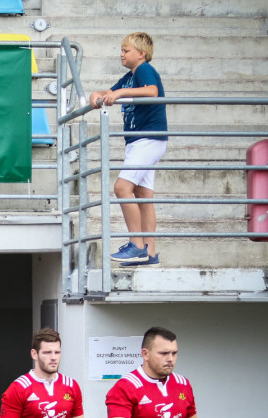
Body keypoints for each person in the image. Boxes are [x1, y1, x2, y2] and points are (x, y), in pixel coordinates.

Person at [89, 32, 167, 266]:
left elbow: (152, 91)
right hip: (138, 141)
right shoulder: (129, 76)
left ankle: (136, 245)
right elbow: (107, 93)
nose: (121, 54)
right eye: (121, 50)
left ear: (141, 54)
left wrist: (120, 93)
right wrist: (97, 95)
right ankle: (150, 251)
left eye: (126, 50)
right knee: (143, 195)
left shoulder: (144, 70)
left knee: (122, 187)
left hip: (148, 138)